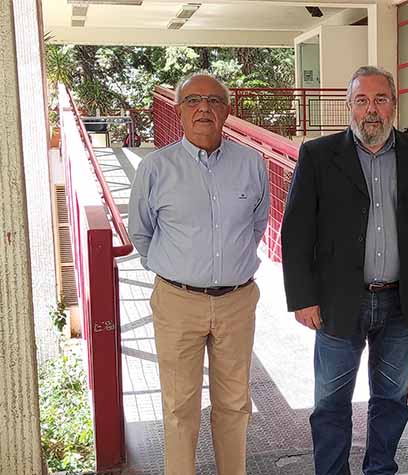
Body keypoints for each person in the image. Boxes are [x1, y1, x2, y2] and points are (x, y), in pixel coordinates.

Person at [281, 66, 408, 475]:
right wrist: (303, 298)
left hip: (403, 301)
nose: (371, 110)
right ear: (349, 106)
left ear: (394, 105)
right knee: (330, 403)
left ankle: (380, 470)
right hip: (338, 301)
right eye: (362, 100)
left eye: (380, 99)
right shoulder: (319, 155)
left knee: (392, 399)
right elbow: (296, 232)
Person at [128, 72, 269, 475]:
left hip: (237, 301)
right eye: (193, 100)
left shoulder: (251, 163)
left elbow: (257, 225)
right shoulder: (156, 167)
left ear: (227, 110)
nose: (203, 108)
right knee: (178, 407)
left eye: (213, 100)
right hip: (177, 301)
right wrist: (181, 270)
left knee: (235, 403)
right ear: (179, 110)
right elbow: (141, 232)